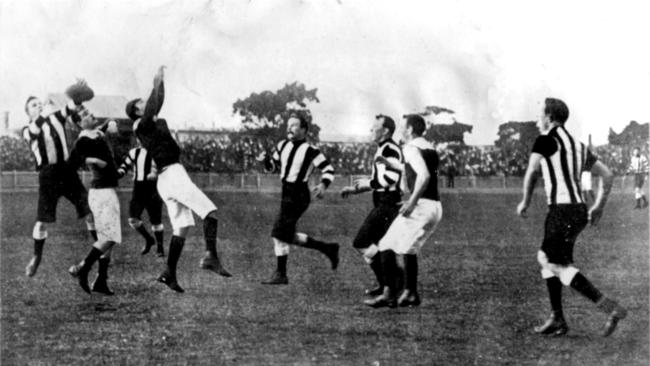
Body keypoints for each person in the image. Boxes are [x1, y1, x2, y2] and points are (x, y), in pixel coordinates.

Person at [517, 97, 626, 337]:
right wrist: (598, 206)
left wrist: (525, 201)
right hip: (577, 210)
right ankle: (557, 318)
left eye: (539, 114)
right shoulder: (577, 145)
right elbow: (607, 175)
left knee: (551, 261)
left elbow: (533, 171)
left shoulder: (546, 140)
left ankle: (610, 308)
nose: (537, 119)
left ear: (549, 117)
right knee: (548, 258)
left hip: (561, 209)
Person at [125, 66, 230, 293]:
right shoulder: (141, 125)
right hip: (172, 175)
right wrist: (156, 84)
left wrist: (159, 85)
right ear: (136, 110)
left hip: (168, 178)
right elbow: (154, 104)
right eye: (141, 102)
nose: (147, 102)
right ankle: (210, 256)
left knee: (181, 227)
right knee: (210, 212)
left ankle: (168, 273)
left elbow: (157, 102)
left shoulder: (150, 122)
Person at [365, 114, 442, 308]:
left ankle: (392, 293)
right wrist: (390, 163)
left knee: (386, 245)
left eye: (402, 127)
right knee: (406, 246)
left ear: (409, 130)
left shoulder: (410, 148)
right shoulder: (429, 147)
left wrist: (411, 202)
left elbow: (423, 176)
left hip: (421, 205)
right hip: (435, 207)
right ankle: (408, 293)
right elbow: (414, 168)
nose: (400, 129)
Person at [21, 81, 97, 277]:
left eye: (39, 102)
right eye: (33, 105)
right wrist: (44, 113)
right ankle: (37, 257)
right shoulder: (28, 128)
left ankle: (99, 250)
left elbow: (71, 106)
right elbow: (34, 131)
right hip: (48, 176)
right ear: (29, 113)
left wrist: (78, 93)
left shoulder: (55, 117)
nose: (38, 105)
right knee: (41, 222)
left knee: (89, 210)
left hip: (67, 170)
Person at [261, 113, 339, 285]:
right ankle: (327, 248)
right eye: (288, 125)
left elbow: (329, 169)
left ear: (304, 130)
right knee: (283, 233)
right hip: (286, 192)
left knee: (278, 233)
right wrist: (265, 160)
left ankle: (281, 274)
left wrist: (323, 185)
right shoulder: (282, 145)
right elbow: (272, 168)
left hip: (299, 194)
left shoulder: (310, 150)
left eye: (294, 125)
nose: (289, 128)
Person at [341, 114, 403, 296]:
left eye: (374, 127)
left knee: (362, 242)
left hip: (388, 203)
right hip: (383, 202)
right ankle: (388, 284)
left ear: (385, 131)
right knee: (379, 245)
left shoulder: (390, 149)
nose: (370, 130)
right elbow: (380, 179)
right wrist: (356, 189)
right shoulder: (383, 148)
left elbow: (391, 178)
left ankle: (394, 279)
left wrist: (369, 183)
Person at [67, 106, 121, 295]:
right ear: (79, 123)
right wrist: (93, 161)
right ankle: (83, 267)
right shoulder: (83, 139)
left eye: (89, 112)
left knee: (108, 238)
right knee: (110, 237)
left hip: (106, 189)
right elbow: (72, 162)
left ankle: (101, 281)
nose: (91, 115)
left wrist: (112, 122)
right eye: (85, 115)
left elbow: (108, 124)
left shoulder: (95, 133)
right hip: (101, 190)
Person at [117, 140, 165, 257]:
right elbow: (125, 164)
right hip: (138, 189)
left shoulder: (157, 152)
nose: (141, 140)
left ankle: (160, 247)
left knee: (156, 221)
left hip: (153, 188)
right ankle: (148, 239)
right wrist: (120, 171)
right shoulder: (134, 152)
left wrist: (157, 173)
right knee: (133, 219)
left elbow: (163, 167)